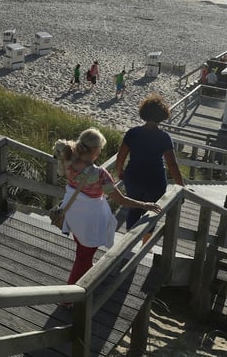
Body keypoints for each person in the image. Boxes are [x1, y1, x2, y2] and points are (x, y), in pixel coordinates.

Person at [54, 128, 160, 285]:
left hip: (73, 215)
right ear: (96, 150)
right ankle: (68, 298)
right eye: (100, 148)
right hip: (90, 221)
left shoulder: (69, 161)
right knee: (84, 256)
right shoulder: (99, 174)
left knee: (82, 251)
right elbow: (121, 199)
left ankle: (86, 273)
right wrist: (145, 204)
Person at [114, 94, 185, 237]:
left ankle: (128, 243)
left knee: (133, 209)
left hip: (133, 176)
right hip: (155, 180)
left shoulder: (133, 133)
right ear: (162, 115)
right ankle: (145, 245)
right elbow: (172, 164)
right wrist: (180, 185)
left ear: (144, 112)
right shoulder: (164, 137)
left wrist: (120, 171)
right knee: (151, 212)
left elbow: (120, 156)